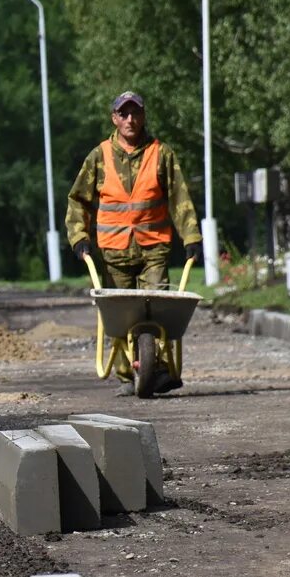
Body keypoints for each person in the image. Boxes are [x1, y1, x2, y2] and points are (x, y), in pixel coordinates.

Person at [65, 90, 203, 395]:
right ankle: (128, 375)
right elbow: (78, 201)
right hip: (114, 252)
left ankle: (161, 367)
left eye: (135, 113)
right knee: (120, 317)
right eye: (124, 114)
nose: (130, 119)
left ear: (143, 116)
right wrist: (79, 237)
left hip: (153, 249)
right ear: (114, 118)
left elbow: (179, 197)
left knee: (160, 311)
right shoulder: (99, 156)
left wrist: (191, 236)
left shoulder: (160, 154)